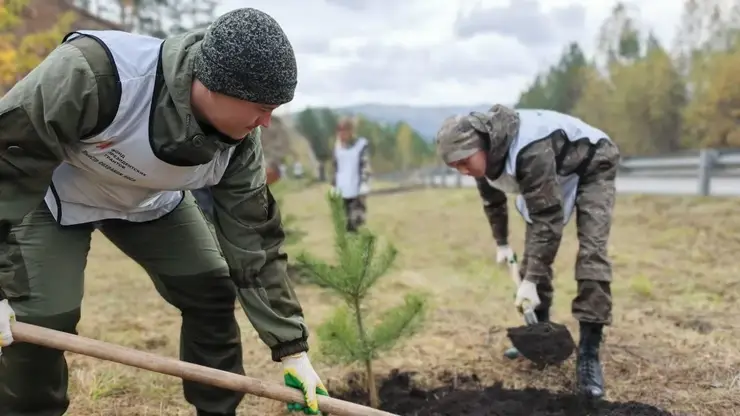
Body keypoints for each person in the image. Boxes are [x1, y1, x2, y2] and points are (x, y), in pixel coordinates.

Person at [0, 8, 329, 416]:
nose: (266, 122)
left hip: (151, 202)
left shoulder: (240, 144)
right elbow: (5, 162)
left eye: (275, 108)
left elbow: (254, 242)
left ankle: (216, 410)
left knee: (211, 289)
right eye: (261, 106)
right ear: (211, 85)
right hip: (52, 196)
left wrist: (292, 350)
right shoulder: (95, 73)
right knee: (41, 321)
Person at [435, 104, 620, 400]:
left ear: (479, 145)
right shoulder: (484, 159)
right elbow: (493, 204)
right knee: (532, 257)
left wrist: (531, 281)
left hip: (592, 163)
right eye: (455, 166)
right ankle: (542, 337)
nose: (462, 171)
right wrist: (502, 244)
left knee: (591, 252)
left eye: (464, 162)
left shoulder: (529, 149)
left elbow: (548, 219)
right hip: (554, 171)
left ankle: (588, 354)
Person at [330, 117, 372, 232]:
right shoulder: (337, 147)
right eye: (339, 131)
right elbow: (335, 168)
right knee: (343, 228)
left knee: (356, 226)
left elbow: (365, 166)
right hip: (341, 194)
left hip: (356, 194)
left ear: (351, 131)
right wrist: (333, 185)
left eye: (344, 131)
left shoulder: (360, 145)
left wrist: (364, 184)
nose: (341, 135)